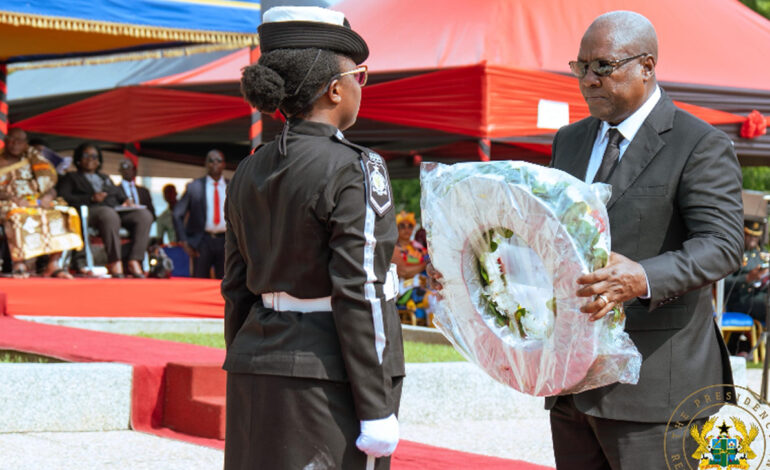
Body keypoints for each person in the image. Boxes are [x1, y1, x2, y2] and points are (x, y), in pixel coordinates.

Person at [544, 11, 743, 468]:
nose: (589, 80)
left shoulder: (698, 143)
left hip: (659, 389)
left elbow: (723, 244)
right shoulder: (569, 141)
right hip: (573, 384)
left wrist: (642, 277)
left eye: (603, 67)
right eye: (581, 67)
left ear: (647, 67)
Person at [222, 6, 404, 470]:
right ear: (335, 88)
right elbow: (359, 291)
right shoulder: (355, 167)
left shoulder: (249, 167)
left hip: (256, 359)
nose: (361, 89)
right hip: (329, 374)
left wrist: (245, 356)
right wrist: (377, 406)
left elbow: (236, 287)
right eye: (359, 77)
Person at [57, 142, 153, 278]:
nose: (91, 159)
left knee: (144, 215)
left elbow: (119, 195)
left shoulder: (105, 178)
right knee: (109, 214)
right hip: (90, 212)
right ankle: (115, 261)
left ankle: (134, 260)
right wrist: (91, 198)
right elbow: (64, 197)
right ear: (78, 158)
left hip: (113, 210)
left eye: (94, 156)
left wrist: (126, 201)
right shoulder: (71, 178)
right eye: (86, 155)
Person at [0, 128, 82, 278]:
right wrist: (14, 199)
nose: (15, 144)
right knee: (17, 216)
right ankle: (19, 264)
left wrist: (47, 197)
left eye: (20, 141)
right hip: (8, 202)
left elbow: (50, 186)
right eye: (12, 139)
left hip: (36, 201)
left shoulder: (33, 160)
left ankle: (53, 264)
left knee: (62, 213)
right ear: (5, 141)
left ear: (25, 144)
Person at [172, 149, 227, 278]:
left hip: (226, 241)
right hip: (202, 241)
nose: (215, 163)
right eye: (211, 160)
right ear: (206, 164)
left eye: (218, 160)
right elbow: (177, 214)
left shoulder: (232, 186)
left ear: (224, 164)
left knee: (227, 284)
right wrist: (184, 241)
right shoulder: (194, 186)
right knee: (199, 279)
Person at [391, 211, 435, 325]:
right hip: (402, 289)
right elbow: (402, 271)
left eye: (410, 226)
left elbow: (431, 262)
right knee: (429, 297)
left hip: (423, 285)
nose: (406, 229)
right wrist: (423, 265)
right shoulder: (394, 248)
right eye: (402, 226)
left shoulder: (417, 247)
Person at [724, 220, 769, 324]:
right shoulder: (734, 254)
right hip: (741, 299)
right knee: (766, 304)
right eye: (749, 235)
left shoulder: (762, 254)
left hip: (761, 293)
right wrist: (747, 278)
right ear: (743, 234)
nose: (753, 238)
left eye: (756, 236)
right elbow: (723, 283)